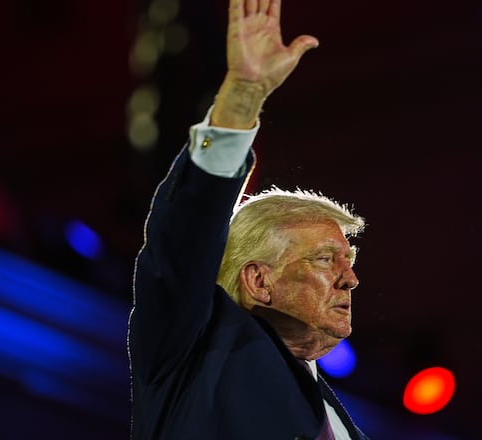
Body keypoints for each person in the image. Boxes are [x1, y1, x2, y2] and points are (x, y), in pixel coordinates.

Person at [128, 0, 370, 438]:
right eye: (324, 259)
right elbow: (185, 239)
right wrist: (242, 95)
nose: (350, 278)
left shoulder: (342, 423)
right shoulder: (194, 353)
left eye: (348, 259)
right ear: (259, 281)